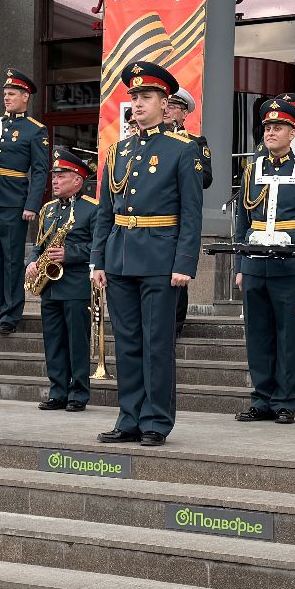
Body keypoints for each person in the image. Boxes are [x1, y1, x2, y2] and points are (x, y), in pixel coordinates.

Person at [92, 61, 203, 447]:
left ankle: (156, 420)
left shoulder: (182, 150)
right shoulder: (119, 150)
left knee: (157, 343)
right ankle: (129, 417)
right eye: (134, 97)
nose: (138, 103)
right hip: (121, 255)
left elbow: (191, 212)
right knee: (127, 342)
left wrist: (184, 263)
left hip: (161, 257)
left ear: (164, 102)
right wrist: (98, 260)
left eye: (146, 97)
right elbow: (106, 210)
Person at [233, 95, 295, 425]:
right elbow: (243, 221)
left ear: (293, 132)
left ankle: (285, 400)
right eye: (268, 127)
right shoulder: (251, 170)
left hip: (291, 264)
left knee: (286, 336)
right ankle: (262, 398)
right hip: (254, 262)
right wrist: (240, 266)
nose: (271, 132)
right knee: (257, 334)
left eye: (279, 127)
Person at [0, 69, 49, 336]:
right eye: (4, 94)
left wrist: (32, 204)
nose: (5, 98)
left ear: (25, 96)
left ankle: (11, 313)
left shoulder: (35, 130)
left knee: (11, 259)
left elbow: (40, 171)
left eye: (11, 94)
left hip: (13, 201)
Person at [28, 148, 98, 412]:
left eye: (62, 176)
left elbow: (100, 247)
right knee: (53, 341)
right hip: (50, 285)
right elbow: (39, 244)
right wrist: (32, 262)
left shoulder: (93, 209)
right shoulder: (48, 210)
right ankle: (58, 391)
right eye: (54, 176)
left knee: (76, 341)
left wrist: (71, 254)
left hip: (76, 284)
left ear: (78, 180)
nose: (55, 181)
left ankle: (78, 393)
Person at [162, 87, 212, 338]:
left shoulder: (195, 142)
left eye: (173, 107)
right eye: (166, 105)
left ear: (183, 114)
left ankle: (175, 323)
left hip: (179, 211)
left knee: (177, 268)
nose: (167, 110)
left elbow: (206, 177)